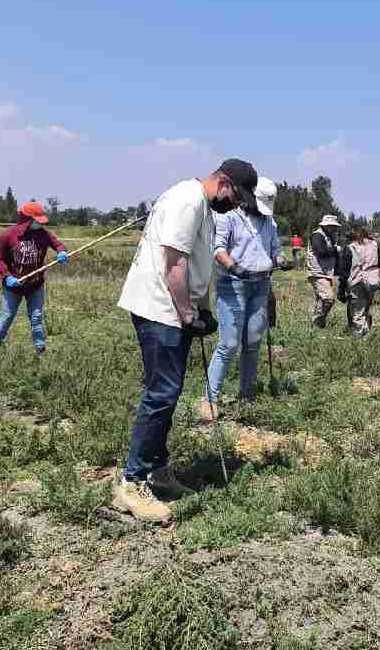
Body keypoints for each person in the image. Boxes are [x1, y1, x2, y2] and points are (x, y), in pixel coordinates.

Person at [112, 159, 258, 523]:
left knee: (169, 391)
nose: (237, 205)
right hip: (160, 310)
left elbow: (198, 266)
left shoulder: (204, 209)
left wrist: (202, 308)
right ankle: (132, 484)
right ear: (223, 183)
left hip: (174, 311)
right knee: (161, 393)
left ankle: (157, 472)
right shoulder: (187, 199)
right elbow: (173, 262)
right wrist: (186, 313)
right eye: (237, 197)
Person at [202, 176, 289, 420]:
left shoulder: (269, 222)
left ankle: (247, 394)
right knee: (229, 344)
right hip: (233, 284)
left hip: (260, 285)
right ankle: (210, 399)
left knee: (252, 343)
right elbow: (217, 249)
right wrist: (235, 267)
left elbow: (275, 250)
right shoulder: (229, 216)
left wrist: (280, 260)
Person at [0, 201, 68, 357]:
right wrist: (7, 276)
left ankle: (41, 352)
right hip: (13, 286)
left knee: (36, 318)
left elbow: (58, 244)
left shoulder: (43, 234)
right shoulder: (8, 235)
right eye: (36, 221)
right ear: (27, 219)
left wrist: (61, 252)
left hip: (35, 285)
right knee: (7, 317)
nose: (39, 224)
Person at [337, 225, 380, 336]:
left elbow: (344, 272)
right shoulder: (374, 245)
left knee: (358, 312)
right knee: (366, 308)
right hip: (372, 281)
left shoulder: (350, 248)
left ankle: (359, 339)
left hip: (356, 282)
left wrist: (341, 290)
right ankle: (367, 334)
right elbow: (379, 263)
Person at [306, 214, 341, 328]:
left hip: (326, 273)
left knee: (321, 299)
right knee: (328, 298)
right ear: (326, 225)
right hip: (317, 273)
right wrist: (335, 249)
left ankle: (317, 327)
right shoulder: (317, 235)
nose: (335, 229)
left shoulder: (329, 236)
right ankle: (317, 321)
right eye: (332, 226)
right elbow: (321, 252)